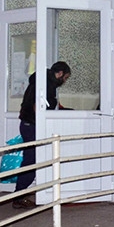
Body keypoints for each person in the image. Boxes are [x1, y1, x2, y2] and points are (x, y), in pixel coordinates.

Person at [12, 61, 71, 209]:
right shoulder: (46, 84)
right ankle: (19, 196)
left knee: (32, 160)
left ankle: (21, 193)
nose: (64, 81)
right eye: (65, 78)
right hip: (32, 125)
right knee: (32, 161)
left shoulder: (42, 81)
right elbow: (39, 106)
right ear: (60, 73)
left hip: (29, 124)